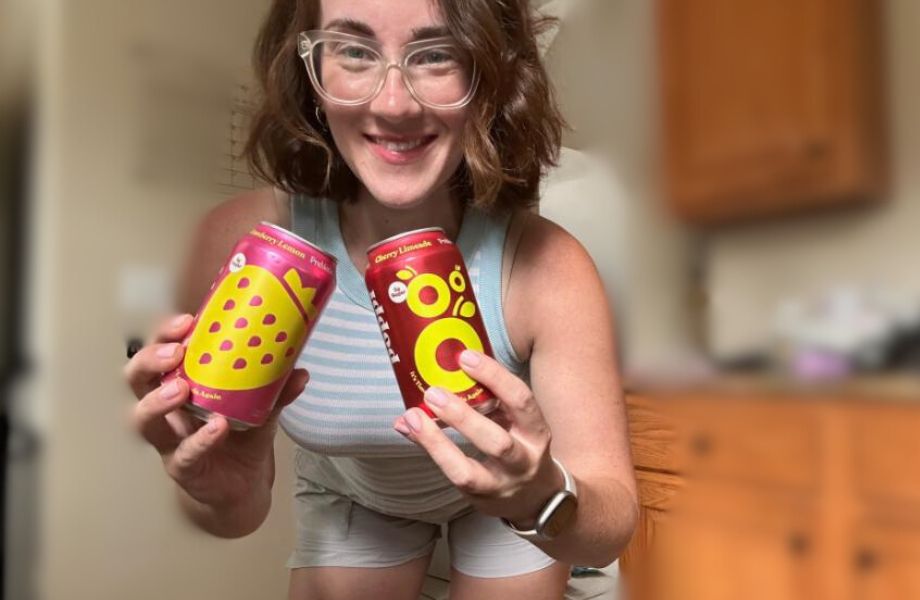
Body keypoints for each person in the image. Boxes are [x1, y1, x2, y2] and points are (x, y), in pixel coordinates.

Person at [124, 0, 638, 598]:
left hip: (506, 499)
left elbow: (610, 524)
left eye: (437, 53)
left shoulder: (547, 268)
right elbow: (235, 513)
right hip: (352, 490)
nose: (394, 104)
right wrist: (219, 492)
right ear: (309, 73)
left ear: (489, 76)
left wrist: (541, 496)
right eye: (354, 50)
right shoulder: (237, 246)